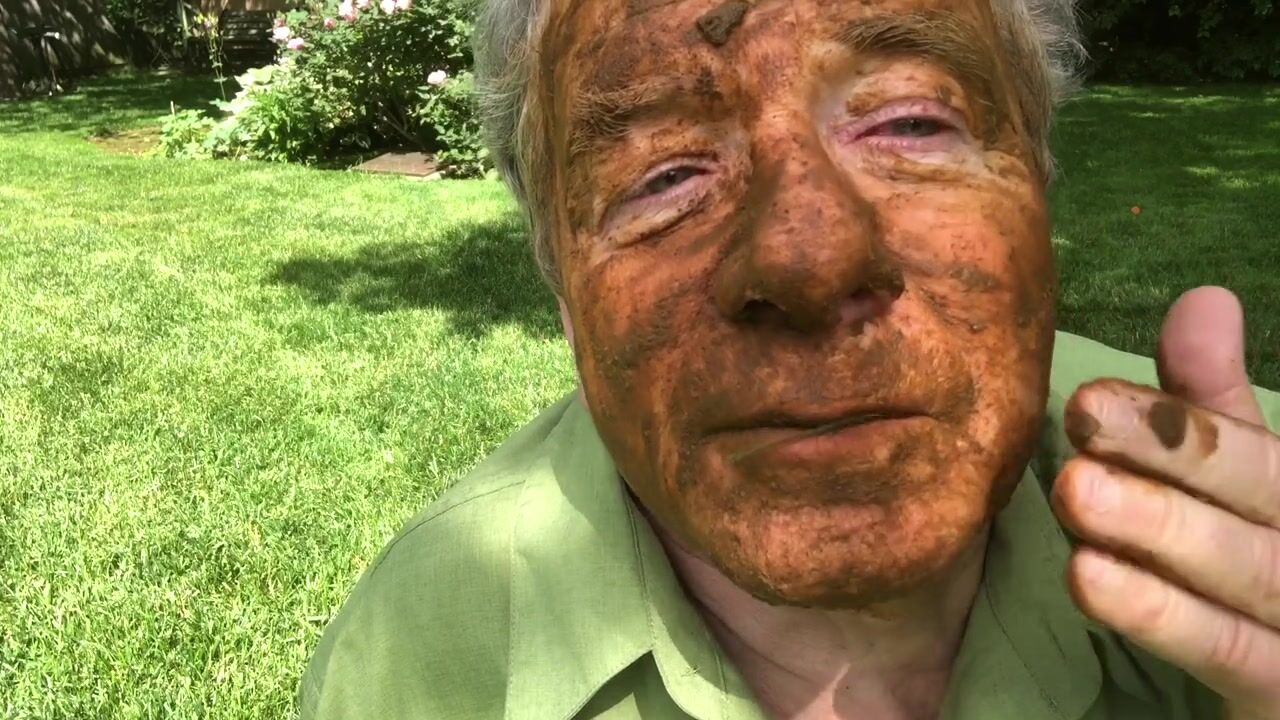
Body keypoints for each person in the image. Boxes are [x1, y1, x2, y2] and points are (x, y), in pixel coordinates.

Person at [299, 0, 1280, 717]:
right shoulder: (422, 660)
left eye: (910, 122)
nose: (808, 257)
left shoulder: (1259, 514)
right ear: (561, 288)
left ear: (1037, 195)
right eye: (664, 177)